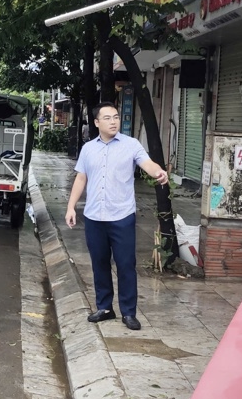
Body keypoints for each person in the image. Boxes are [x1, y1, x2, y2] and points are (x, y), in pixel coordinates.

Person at [64, 102, 169, 331]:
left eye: (116, 117)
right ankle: (104, 308)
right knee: (99, 262)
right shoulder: (88, 149)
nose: (113, 121)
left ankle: (129, 313)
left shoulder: (131, 145)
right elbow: (81, 178)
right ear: (96, 122)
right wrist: (71, 207)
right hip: (94, 217)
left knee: (125, 264)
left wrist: (159, 172)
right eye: (107, 118)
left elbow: (147, 163)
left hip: (121, 216)